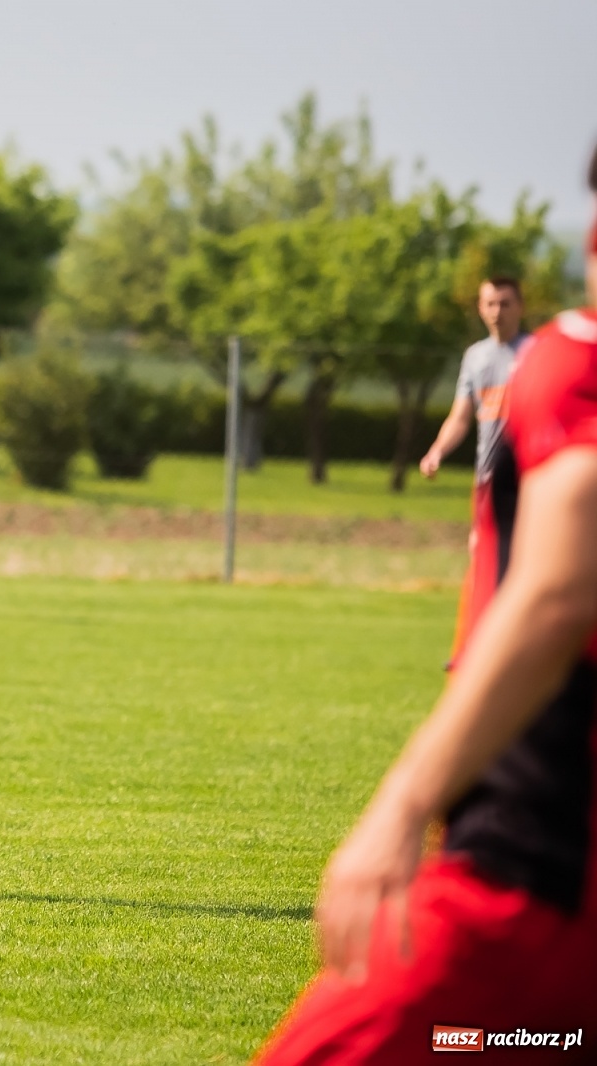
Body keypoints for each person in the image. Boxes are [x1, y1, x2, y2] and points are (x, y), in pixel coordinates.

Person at [254, 149, 597, 1063]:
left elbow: (562, 591)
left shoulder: (568, 361)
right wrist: (447, 451)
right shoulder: (491, 364)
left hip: (540, 876)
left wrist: (401, 810)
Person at [419, 278, 528, 662]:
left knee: (527, 561)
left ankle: (518, 650)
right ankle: (474, 648)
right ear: (480, 309)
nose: (498, 311)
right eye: (490, 304)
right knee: (481, 554)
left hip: (530, 480)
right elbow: (461, 417)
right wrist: (437, 450)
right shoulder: (476, 357)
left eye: (505, 303)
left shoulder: (534, 353)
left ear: (520, 307)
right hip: (488, 480)